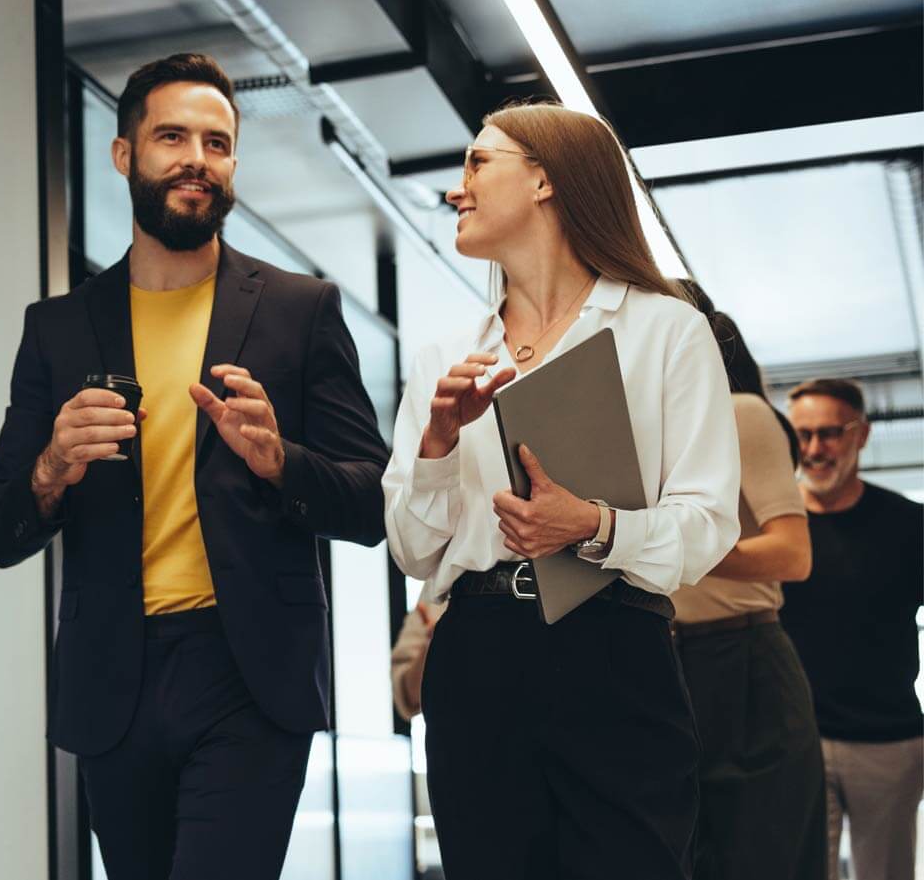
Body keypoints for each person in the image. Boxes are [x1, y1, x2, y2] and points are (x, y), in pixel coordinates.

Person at [0, 53, 389, 880]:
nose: (197, 157)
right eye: (172, 136)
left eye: (217, 142)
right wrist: (53, 464)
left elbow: (374, 503)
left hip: (249, 672)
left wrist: (281, 462)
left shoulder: (300, 311)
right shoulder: (58, 328)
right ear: (125, 154)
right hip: (113, 679)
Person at [382, 102, 741, 880]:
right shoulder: (447, 356)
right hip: (475, 652)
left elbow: (708, 525)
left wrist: (592, 524)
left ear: (545, 179)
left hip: (613, 647)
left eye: (479, 163)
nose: (457, 188)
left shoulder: (665, 329)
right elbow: (413, 551)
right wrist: (439, 442)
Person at [672, 287, 826, 880]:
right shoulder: (654, 429)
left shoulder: (740, 412)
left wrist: (666, 546)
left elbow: (793, 553)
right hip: (669, 661)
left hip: (740, 661)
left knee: (760, 857)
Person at [781, 378, 923, 880]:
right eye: (802, 435)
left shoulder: (910, 524)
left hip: (889, 745)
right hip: (797, 745)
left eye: (829, 433)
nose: (814, 449)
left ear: (861, 435)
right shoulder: (774, 529)